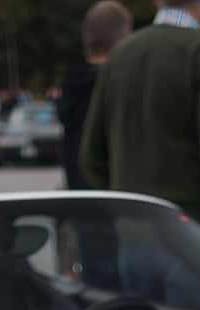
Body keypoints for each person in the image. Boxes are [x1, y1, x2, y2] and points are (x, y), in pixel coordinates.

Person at [80, 0, 200, 241]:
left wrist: (125, 201)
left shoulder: (119, 56)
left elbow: (91, 157)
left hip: (132, 229)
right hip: (194, 231)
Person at [59, 1, 132, 189]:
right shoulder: (120, 86)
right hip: (113, 198)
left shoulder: (71, 86)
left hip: (79, 198)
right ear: (124, 38)